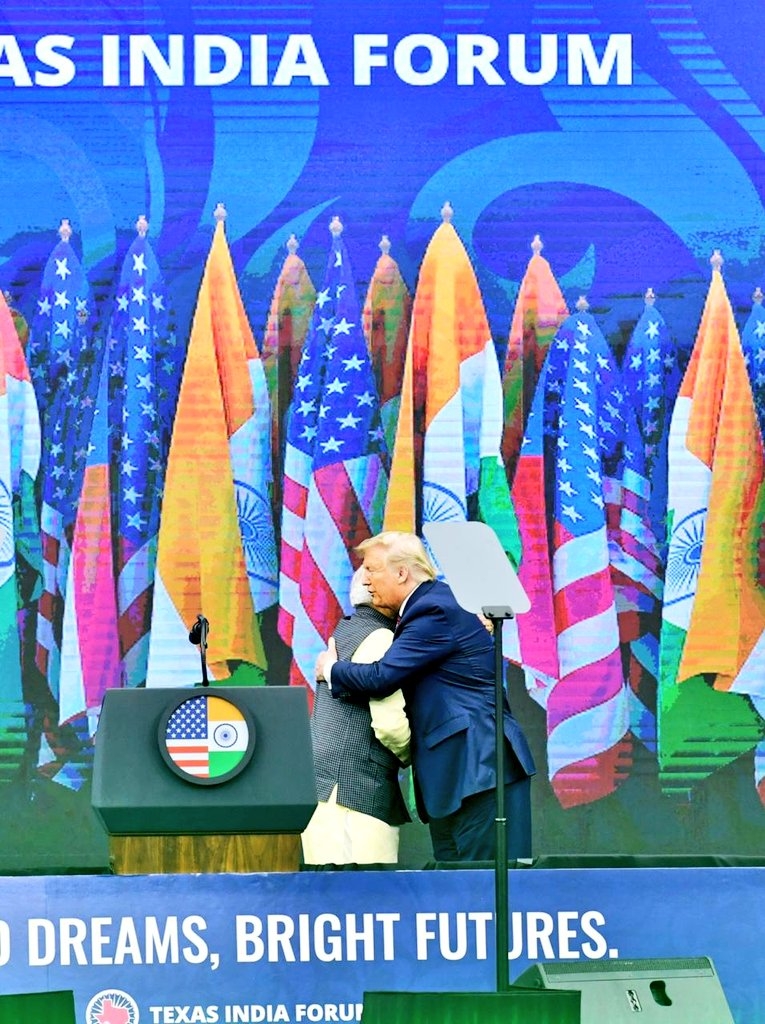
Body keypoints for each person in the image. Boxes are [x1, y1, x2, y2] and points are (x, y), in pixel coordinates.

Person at [315, 531, 535, 863]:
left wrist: (331, 670)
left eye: (372, 569)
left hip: (478, 771)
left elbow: (382, 676)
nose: (365, 579)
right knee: (456, 895)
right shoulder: (432, 607)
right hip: (457, 781)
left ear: (401, 572)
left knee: (483, 892)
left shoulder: (433, 609)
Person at [301, 568, 411, 866]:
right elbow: (390, 725)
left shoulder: (345, 630)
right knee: (365, 897)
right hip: (354, 791)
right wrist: (418, 754)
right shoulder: (381, 637)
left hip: (328, 788)